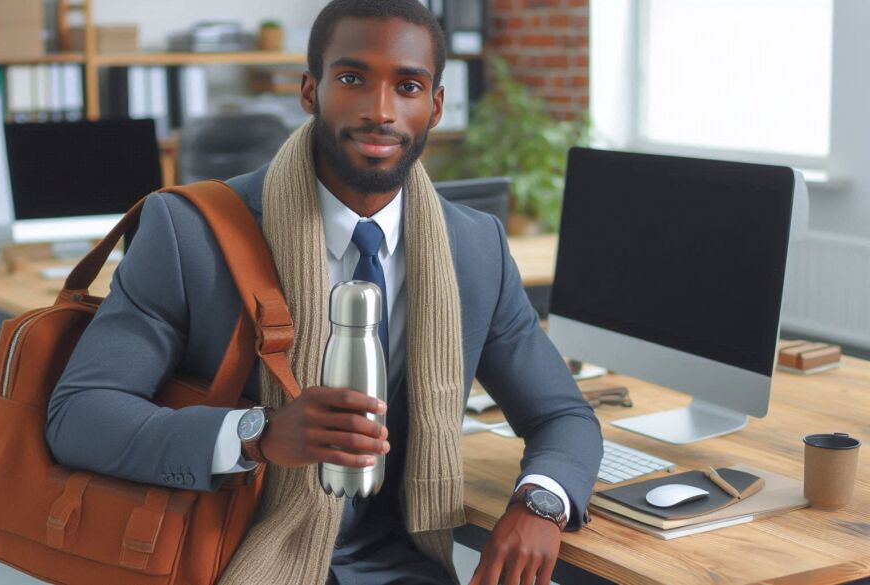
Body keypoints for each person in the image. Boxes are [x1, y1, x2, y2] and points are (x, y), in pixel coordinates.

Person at [45, 1, 602, 584]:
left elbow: (562, 415)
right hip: (227, 555)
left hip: (401, 567)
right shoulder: (189, 233)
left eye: (407, 86)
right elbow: (79, 415)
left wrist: (542, 504)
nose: (380, 110)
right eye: (352, 78)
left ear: (435, 105)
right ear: (310, 91)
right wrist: (254, 434)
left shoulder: (474, 248)